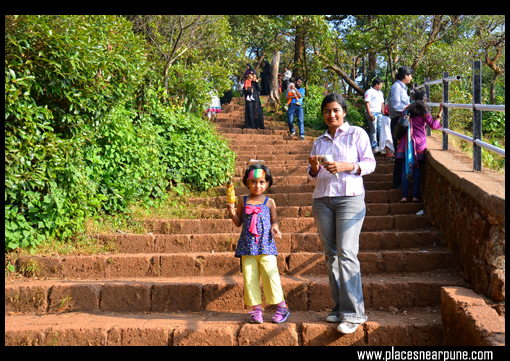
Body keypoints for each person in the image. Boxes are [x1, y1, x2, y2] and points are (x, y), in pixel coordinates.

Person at [307, 93, 376, 334]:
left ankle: (355, 313)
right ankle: (339, 308)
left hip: (350, 198)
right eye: (327, 111)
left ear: (344, 111)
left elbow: (370, 163)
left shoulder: (357, 133)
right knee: (331, 255)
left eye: (335, 110)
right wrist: (314, 167)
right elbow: (311, 174)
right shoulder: (319, 140)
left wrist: (347, 166)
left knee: (347, 253)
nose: (331, 115)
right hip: (322, 199)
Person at [227, 164, 289, 324]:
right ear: (247, 183)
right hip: (247, 247)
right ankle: (255, 309)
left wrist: (275, 229)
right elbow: (238, 223)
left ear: (267, 183)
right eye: (253, 182)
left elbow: (274, 221)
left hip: (266, 246)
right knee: (249, 278)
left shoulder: (270, 202)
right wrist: (232, 212)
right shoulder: (243, 200)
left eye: (262, 182)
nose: (257, 185)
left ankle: (282, 306)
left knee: (271, 275)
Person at [396, 90, 443, 203]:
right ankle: (415, 196)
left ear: (413, 97)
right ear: (425, 99)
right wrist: (440, 113)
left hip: (406, 143)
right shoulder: (424, 110)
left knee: (404, 169)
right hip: (419, 143)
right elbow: (433, 125)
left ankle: (404, 196)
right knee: (417, 169)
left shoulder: (407, 109)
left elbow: (400, 123)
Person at [388, 66, 414, 189]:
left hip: (402, 121)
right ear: (405, 75)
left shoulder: (402, 88)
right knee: (399, 153)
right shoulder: (397, 87)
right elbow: (396, 106)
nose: (411, 78)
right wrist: (409, 107)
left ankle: (402, 181)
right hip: (397, 122)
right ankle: (397, 183)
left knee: (403, 152)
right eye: (410, 75)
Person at [364, 78, 385, 153]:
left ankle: (382, 146)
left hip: (379, 113)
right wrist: (369, 114)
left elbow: (382, 104)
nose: (381, 86)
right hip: (372, 112)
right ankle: (374, 146)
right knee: (374, 129)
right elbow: (367, 103)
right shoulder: (369, 92)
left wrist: (384, 114)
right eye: (381, 85)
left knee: (381, 130)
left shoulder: (381, 93)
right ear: (377, 84)